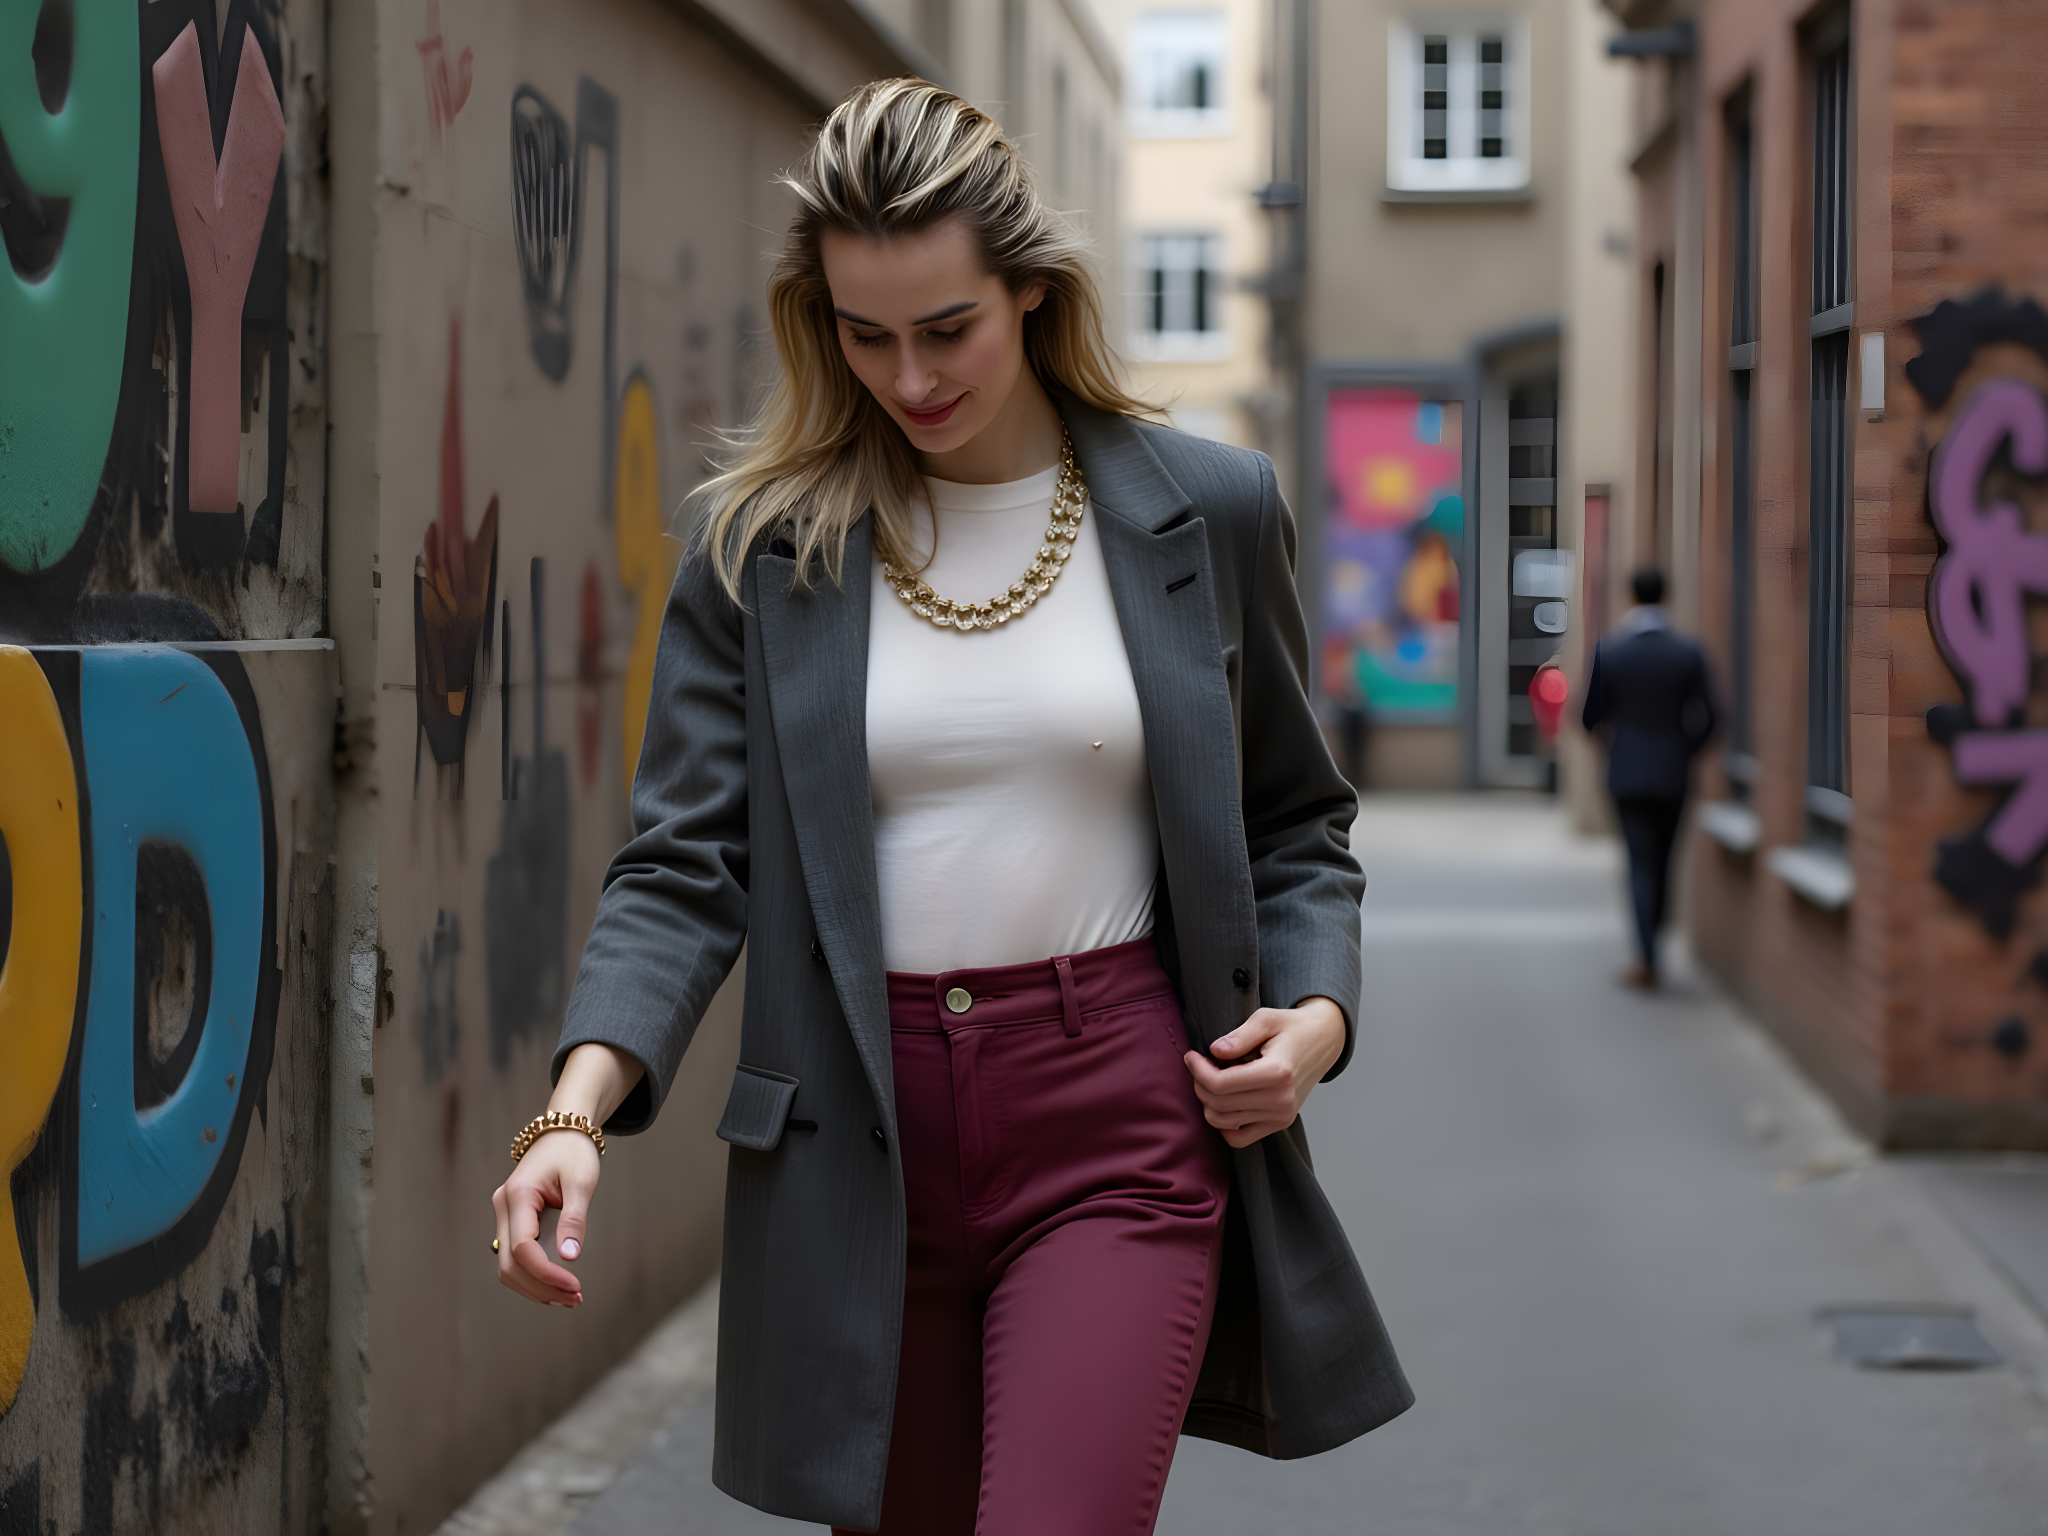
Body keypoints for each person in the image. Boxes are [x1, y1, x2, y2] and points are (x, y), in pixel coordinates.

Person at [488, 80, 1410, 1536]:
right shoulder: (763, 553)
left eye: (946, 328)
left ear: (1031, 294)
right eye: (865, 336)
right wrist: (574, 1114)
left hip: (1115, 1121)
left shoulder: (1207, 511)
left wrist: (1315, 1020)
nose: (908, 377)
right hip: (856, 1144)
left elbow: (1297, 823)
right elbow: (682, 865)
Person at [1580, 566, 1718, 989]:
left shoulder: (1613, 652)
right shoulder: (1688, 653)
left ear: (1632, 597)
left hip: (1627, 774)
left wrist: (1616, 746)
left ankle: (1646, 956)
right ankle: (1652, 945)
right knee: (1663, 861)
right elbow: (1713, 716)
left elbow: (1590, 717)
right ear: (1666, 597)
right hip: (1673, 774)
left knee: (1640, 862)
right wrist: (1685, 750)